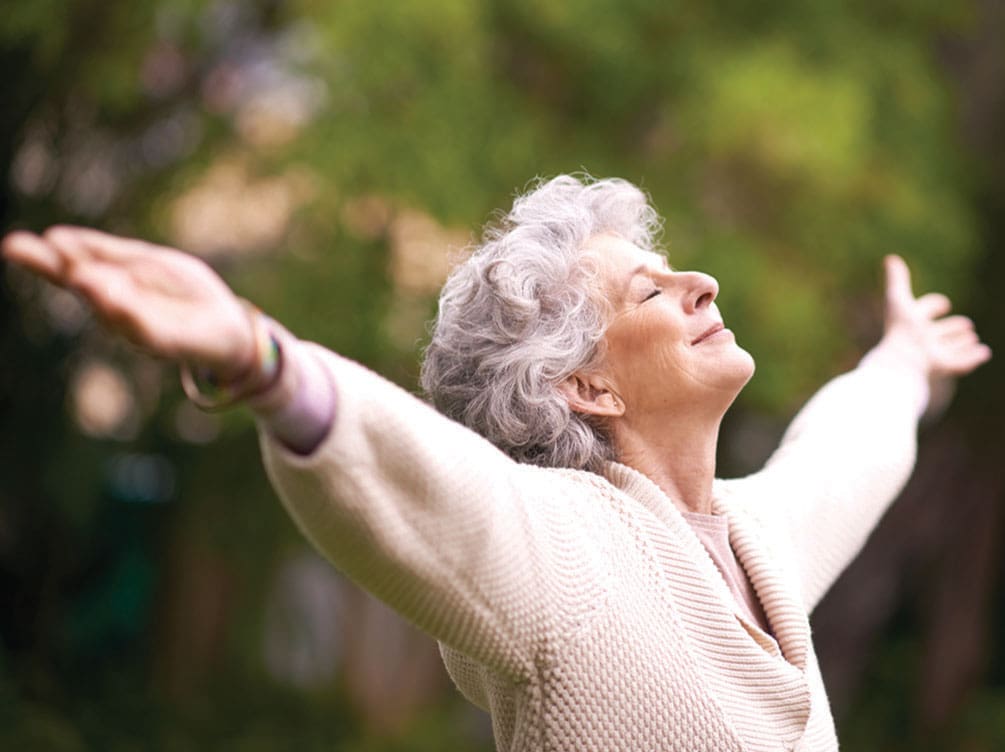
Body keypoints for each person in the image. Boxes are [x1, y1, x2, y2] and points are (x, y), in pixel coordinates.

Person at [2, 175, 990, 751]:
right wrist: (259, 359)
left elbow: (842, 453)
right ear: (586, 388)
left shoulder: (759, 536)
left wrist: (904, 359)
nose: (703, 280)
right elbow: (423, 484)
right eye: (652, 289)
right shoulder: (561, 553)